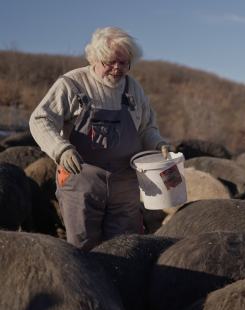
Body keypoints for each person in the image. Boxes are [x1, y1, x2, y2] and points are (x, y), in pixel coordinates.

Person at [30, 26, 173, 251]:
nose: (117, 69)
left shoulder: (134, 89)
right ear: (94, 58)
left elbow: (146, 128)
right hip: (82, 182)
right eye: (110, 62)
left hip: (125, 184)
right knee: (83, 248)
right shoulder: (72, 84)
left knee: (126, 249)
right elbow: (40, 120)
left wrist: (158, 143)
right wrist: (61, 149)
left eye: (124, 63)